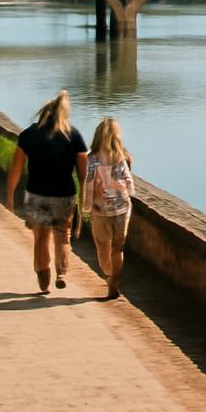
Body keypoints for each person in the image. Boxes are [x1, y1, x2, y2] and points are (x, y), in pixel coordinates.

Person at [6, 90, 88, 294]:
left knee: (41, 237)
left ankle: (43, 277)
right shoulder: (74, 135)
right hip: (65, 195)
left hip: (36, 194)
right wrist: (85, 197)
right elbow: (84, 171)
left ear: (43, 113)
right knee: (63, 236)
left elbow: (15, 168)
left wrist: (9, 196)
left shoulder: (29, 135)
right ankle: (61, 273)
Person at [83, 116, 135, 299]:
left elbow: (88, 184)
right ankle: (114, 283)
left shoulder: (92, 159)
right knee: (118, 249)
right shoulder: (121, 156)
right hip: (122, 209)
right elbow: (128, 180)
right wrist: (129, 194)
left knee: (103, 247)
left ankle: (109, 277)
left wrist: (86, 206)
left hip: (100, 210)